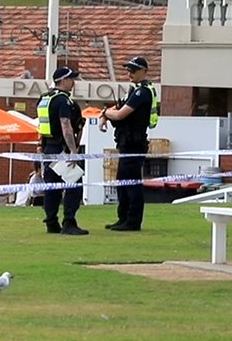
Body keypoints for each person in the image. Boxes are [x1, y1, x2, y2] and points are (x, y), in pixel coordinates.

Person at [99, 56, 159, 231]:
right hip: (126, 142)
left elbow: (119, 115)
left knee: (131, 183)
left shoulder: (142, 92)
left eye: (133, 70)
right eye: (128, 70)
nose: (129, 73)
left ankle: (133, 221)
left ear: (144, 71)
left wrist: (104, 112)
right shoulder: (133, 90)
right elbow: (116, 111)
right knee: (122, 181)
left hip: (134, 142)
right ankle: (123, 217)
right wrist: (106, 114)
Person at [36, 66, 88, 235]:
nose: (73, 83)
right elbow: (66, 126)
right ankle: (69, 222)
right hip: (61, 148)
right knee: (75, 184)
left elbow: (43, 126)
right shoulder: (63, 101)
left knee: (52, 187)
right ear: (64, 81)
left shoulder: (44, 99)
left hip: (47, 148)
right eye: (71, 79)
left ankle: (51, 222)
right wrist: (73, 151)